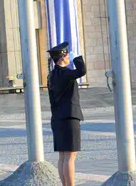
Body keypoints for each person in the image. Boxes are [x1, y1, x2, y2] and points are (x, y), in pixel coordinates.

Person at [47, 42, 87, 186]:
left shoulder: (52, 75)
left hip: (58, 118)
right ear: (63, 56)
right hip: (69, 117)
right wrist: (78, 58)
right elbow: (81, 71)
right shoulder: (65, 73)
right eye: (67, 54)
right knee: (70, 156)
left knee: (63, 156)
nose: (69, 56)